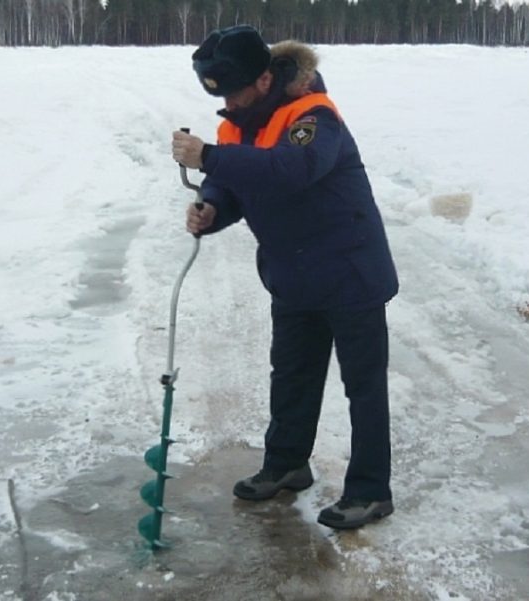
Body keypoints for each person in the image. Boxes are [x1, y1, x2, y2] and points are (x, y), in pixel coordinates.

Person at [171, 25, 399, 530]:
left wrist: (208, 156)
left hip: (350, 272)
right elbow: (232, 183)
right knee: (292, 377)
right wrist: (211, 207)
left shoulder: (313, 116)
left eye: (234, 89)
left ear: (265, 79)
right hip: (294, 275)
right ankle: (287, 464)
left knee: (363, 388)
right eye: (219, 92)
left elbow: (290, 170)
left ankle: (369, 491)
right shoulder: (236, 123)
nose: (228, 101)